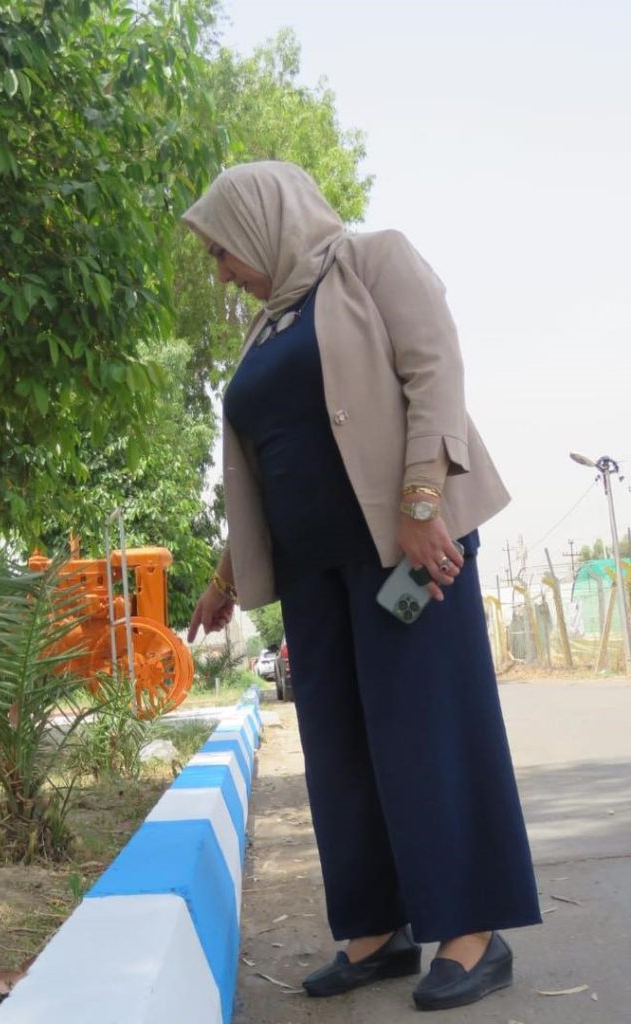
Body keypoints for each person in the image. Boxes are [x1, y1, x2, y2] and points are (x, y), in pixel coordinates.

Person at [183, 162, 540, 1012]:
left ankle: (470, 932)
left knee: (429, 735)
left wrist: (423, 502)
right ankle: (378, 933)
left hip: (403, 550)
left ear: (264, 221)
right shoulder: (266, 331)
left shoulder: (372, 259)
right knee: (340, 754)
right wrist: (227, 576)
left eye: (224, 250)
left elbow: (434, 371)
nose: (222, 271)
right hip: (315, 574)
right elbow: (267, 468)